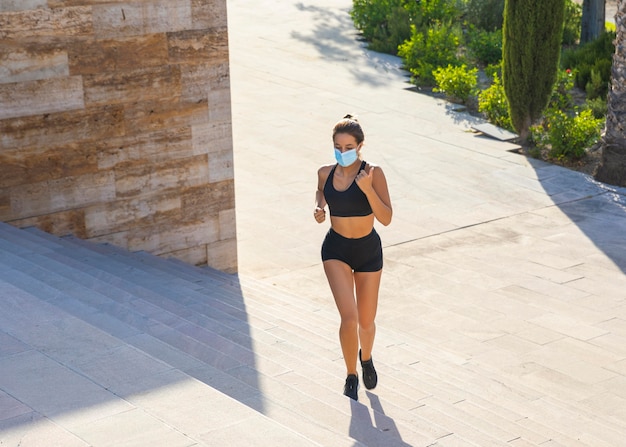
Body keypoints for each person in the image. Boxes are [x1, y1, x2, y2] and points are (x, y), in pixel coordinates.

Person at [313, 114, 392, 401]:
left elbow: (386, 218)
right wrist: (319, 207)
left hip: (368, 251)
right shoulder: (325, 173)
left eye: (348, 147)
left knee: (366, 322)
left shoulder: (374, 173)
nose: (342, 152)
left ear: (359, 146)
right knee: (349, 317)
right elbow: (321, 191)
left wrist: (368, 189)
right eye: (338, 146)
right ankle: (350, 375)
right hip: (336, 250)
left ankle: (366, 357)